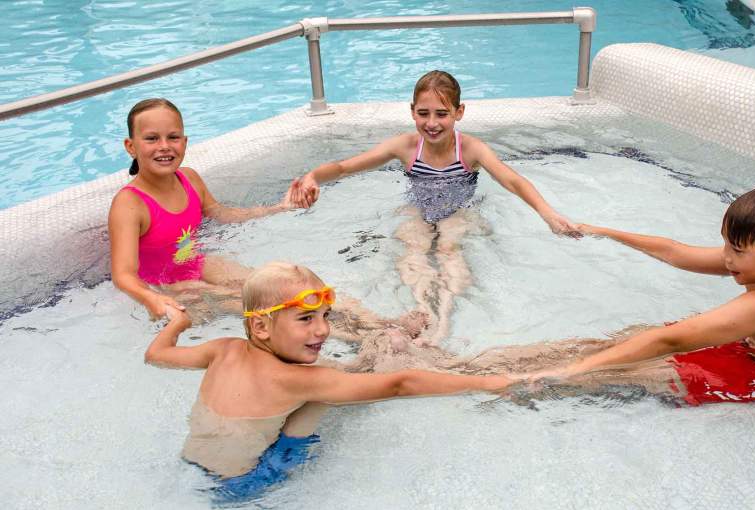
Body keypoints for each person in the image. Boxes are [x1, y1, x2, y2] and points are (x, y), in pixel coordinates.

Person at [144, 261, 510, 500]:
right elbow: (400, 384)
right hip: (244, 486)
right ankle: (383, 351)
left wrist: (177, 323)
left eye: (325, 316)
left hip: (191, 466)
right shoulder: (298, 380)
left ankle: (374, 352)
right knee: (324, 389)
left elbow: (155, 357)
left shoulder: (221, 349)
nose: (323, 330)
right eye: (306, 319)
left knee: (325, 380)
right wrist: (488, 384)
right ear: (260, 326)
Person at [290, 71, 580, 345]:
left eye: (442, 114)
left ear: (459, 112)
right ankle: (422, 311)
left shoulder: (470, 149)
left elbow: (511, 180)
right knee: (412, 246)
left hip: (458, 211)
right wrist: (313, 176)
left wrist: (548, 214)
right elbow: (343, 167)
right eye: (423, 113)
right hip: (418, 209)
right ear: (412, 110)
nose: (432, 123)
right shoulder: (405, 146)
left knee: (448, 248)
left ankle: (442, 320)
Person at [108, 99, 422, 340]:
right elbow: (124, 274)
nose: (164, 146)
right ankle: (366, 337)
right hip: (167, 283)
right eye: (151, 139)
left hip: (198, 263)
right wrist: (154, 299)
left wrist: (278, 208)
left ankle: (381, 322)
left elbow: (222, 213)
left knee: (284, 287)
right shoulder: (130, 204)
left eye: (172, 137)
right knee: (265, 309)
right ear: (131, 146)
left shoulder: (189, 178)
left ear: (186, 142)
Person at [532, 183, 755, 406]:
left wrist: (571, 372)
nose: (726, 258)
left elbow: (669, 341)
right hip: (745, 345)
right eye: (726, 244)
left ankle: (514, 382)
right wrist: (600, 231)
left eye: (736, 250)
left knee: (601, 374)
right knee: (605, 348)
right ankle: (506, 366)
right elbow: (675, 252)